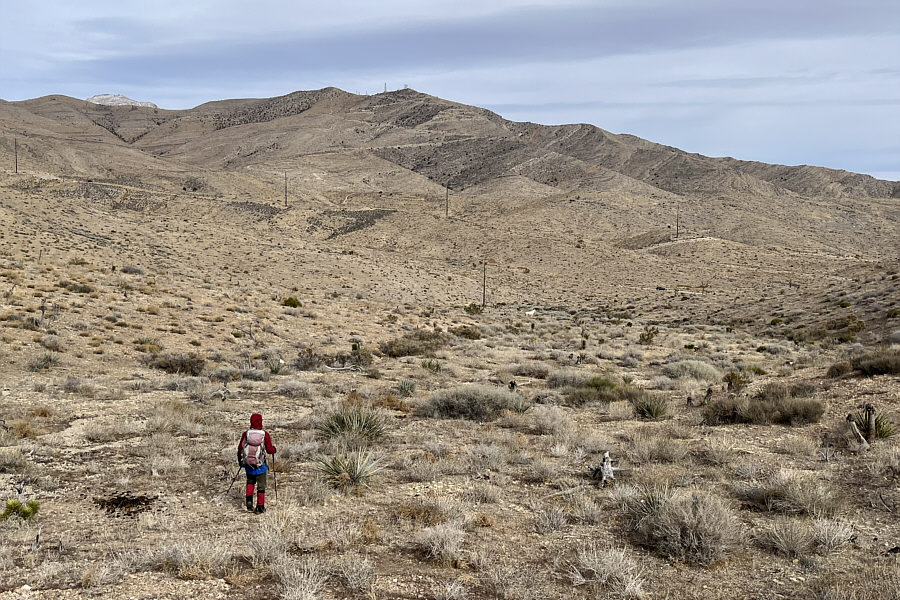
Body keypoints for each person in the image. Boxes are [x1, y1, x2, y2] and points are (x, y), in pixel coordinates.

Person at [237, 413, 277, 513]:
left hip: (248, 464)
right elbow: (269, 450)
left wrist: (240, 461)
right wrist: (274, 450)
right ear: (261, 421)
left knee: (250, 482)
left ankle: (249, 502)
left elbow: (240, 448)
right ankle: (260, 507)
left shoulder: (246, 434)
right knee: (261, 486)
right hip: (260, 466)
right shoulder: (264, 435)